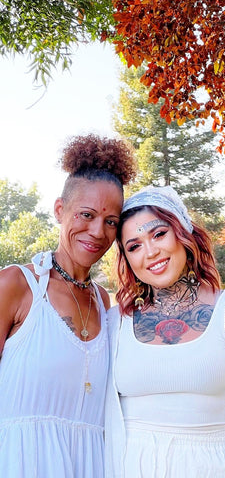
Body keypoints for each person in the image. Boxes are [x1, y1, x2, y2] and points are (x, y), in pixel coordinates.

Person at [105, 185, 225, 478]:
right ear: (127, 259)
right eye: (134, 246)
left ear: (183, 234)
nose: (151, 251)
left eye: (158, 234)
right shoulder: (115, 323)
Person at [0, 134, 136, 477]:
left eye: (111, 222)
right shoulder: (16, 286)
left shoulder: (106, 304)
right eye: (86, 214)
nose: (97, 232)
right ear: (60, 210)